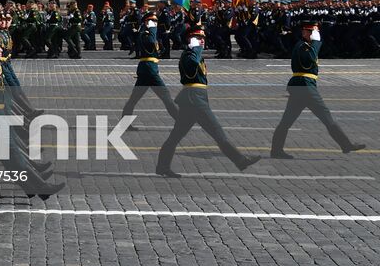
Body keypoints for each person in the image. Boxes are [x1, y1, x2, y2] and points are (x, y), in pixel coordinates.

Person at [155, 26, 260, 177]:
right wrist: (196, 49)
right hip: (194, 99)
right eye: (198, 38)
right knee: (217, 132)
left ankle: (162, 167)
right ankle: (240, 160)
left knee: (175, 136)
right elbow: (191, 69)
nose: (202, 40)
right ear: (191, 40)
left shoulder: (194, 54)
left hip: (194, 99)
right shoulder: (189, 55)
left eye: (203, 38)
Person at [270, 20, 366, 158]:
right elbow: (309, 59)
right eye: (313, 32)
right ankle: (346, 145)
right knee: (326, 116)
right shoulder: (303, 46)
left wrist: (314, 43)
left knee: (287, 120)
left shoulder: (306, 45)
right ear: (305, 32)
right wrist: (315, 43)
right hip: (305, 86)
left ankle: (276, 150)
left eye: (316, 32)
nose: (316, 35)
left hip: (301, 86)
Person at [120, 12, 178, 127]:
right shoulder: (145, 33)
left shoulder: (149, 32)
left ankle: (124, 124)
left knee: (134, 99)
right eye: (152, 21)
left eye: (156, 21)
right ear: (146, 22)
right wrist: (152, 29)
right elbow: (151, 42)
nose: (155, 23)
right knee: (165, 96)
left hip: (147, 69)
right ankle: (180, 120)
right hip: (149, 69)